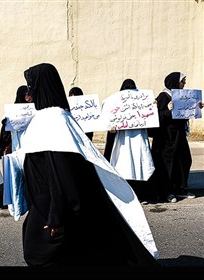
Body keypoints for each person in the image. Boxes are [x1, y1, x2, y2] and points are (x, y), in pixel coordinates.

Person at [20, 63, 159, 267]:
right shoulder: (53, 118)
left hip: (52, 211)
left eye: (32, 86)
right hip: (45, 206)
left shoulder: (53, 122)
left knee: (39, 255)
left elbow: (61, 175)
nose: (30, 92)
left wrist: (56, 218)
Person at [151, 72, 203, 203]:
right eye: (182, 81)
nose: (184, 83)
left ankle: (181, 189)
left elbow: (183, 113)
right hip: (166, 138)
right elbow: (157, 117)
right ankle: (167, 192)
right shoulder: (164, 96)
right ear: (174, 81)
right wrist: (168, 110)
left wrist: (196, 107)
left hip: (179, 136)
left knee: (184, 161)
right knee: (168, 165)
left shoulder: (181, 96)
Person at [103, 79, 155, 203]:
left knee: (139, 166)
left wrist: (152, 108)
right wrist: (111, 128)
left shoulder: (141, 102)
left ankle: (141, 195)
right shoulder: (115, 103)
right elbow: (110, 125)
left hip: (139, 139)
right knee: (125, 167)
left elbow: (149, 120)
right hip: (123, 141)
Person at [0, 85, 31, 220]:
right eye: (27, 94)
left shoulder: (35, 110)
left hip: (32, 147)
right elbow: (5, 132)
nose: (29, 97)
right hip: (18, 149)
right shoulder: (12, 111)